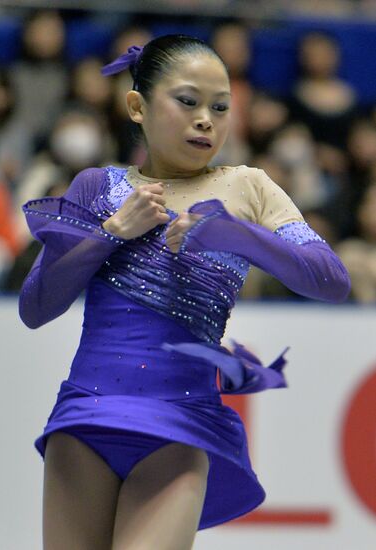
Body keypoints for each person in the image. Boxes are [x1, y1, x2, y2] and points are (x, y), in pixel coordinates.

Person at [19, 34, 351, 550]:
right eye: (188, 101)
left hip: (179, 428)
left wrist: (236, 233)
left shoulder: (249, 187)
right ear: (137, 106)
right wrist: (111, 233)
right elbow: (35, 307)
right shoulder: (97, 187)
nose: (206, 120)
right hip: (85, 421)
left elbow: (331, 279)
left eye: (220, 107)